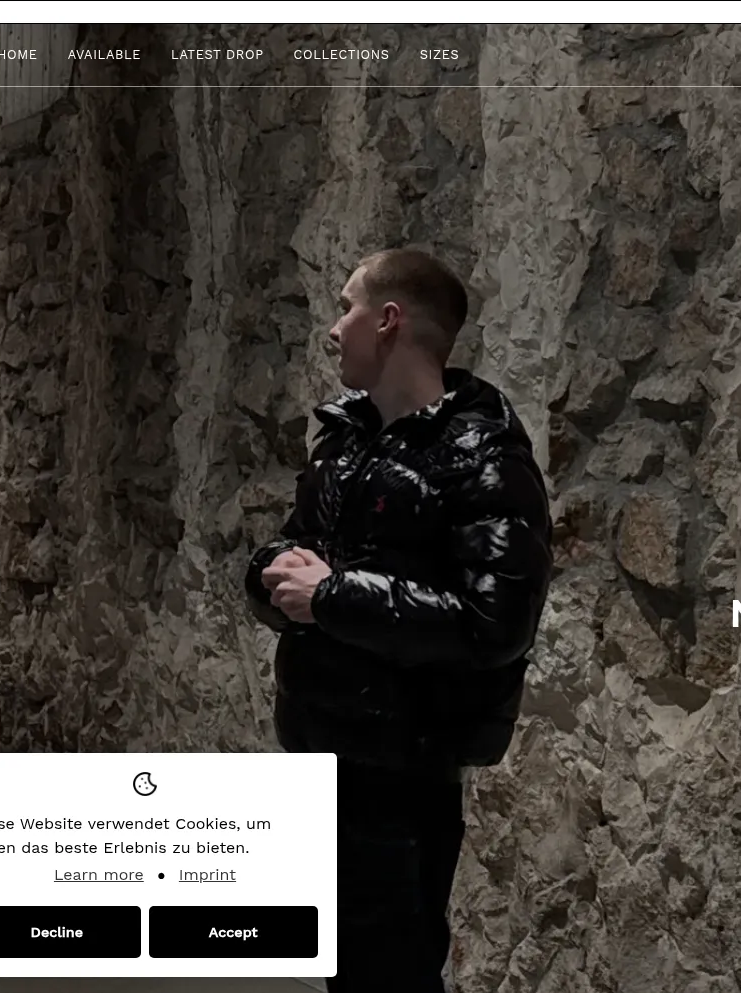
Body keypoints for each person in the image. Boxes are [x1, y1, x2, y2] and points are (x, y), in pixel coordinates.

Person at [243, 248, 553, 992]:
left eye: (345, 307)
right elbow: (294, 549)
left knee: (391, 972)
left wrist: (331, 595)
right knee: (342, 967)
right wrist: (271, 575)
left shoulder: (483, 456)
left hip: (401, 771)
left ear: (388, 320)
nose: (332, 328)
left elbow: (493, 623)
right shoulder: (344, 440)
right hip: (320, 748)